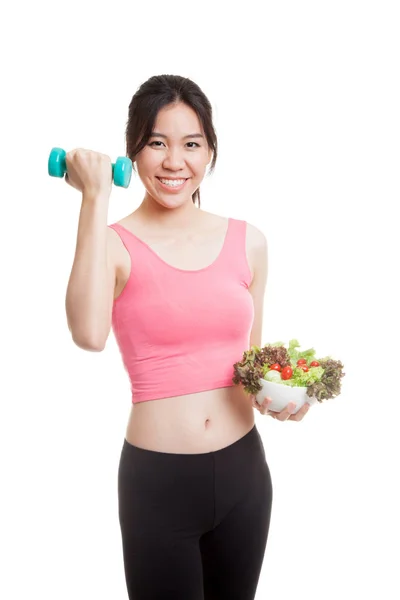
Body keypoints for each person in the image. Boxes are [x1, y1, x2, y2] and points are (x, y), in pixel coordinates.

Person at [65, 74, 310, 600]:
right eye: (157, 143)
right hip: (158, 484)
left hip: (245, 473)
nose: (175, 161)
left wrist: (281, 396)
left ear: (210, 152)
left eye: (191, 144)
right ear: (133, 153)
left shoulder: (250, 242)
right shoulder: (112, 245)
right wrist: (94, 198)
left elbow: (251, 367)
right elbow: (87, 334)